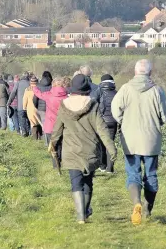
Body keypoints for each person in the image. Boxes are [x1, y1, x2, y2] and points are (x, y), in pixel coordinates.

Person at [49, 74, 117, 224]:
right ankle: (85, 212)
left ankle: (81, 216)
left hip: (71, 151)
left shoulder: (63, 105)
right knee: (88, 182)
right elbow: (102, 130)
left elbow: (57, 129)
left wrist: (52, 143)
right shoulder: (93, 105)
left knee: (76, 182)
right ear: (86, 90)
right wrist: (111, 149)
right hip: (90, 150)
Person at [112, 59, 166, 226]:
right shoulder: (158, 91)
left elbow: (115, 110)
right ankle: (147, 208)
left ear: (135, 72)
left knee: (133, 174)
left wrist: (124, 121)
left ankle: (136, 201)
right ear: (150, 73)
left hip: (130, 140)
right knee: (151, 175)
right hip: (151, 140)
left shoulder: (125, 89)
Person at [33, 76, 67, 148]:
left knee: (52, 149)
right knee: (62, 148)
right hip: (63, 127)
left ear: (53, 85)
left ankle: (55, 158)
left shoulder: (48, 95)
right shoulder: (67, 97)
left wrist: (34, 87)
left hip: (50, 127)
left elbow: (39, 94)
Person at [93, 74, 118, 173]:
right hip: (113, 121)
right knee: (110, 143)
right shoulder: (117, 93)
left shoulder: (98, 92)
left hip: (101, 121)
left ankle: (102, 166)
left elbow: (93, 105)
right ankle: (110, 169)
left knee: (101, 143)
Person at [7, 71, 30, 137]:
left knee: (22, 118)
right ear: (28, 76)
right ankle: (29, 131)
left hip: (20, 105)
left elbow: (13, 93)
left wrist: (9, 102)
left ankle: (24, 131)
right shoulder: (30, 83)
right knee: (28, 118)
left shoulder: (18, 83)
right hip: (29, 105)